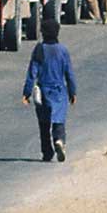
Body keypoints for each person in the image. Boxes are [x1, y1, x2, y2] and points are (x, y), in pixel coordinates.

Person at [22, 20, 77, 163]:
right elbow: (69, 73)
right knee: (59, 120)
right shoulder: (63, 50)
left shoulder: (39, 49)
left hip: (43, 91)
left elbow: (32, 73)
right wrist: (73, 92)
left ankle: (47, 152)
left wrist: (26, 93)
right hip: (59, 91)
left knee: (44, 123)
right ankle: (59, 140)